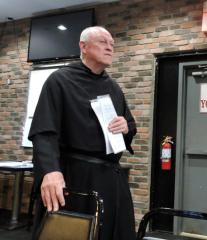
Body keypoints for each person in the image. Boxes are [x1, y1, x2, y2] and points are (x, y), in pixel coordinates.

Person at [29, 26, 137, 240]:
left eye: (112, 44)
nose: (109, 47)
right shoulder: (60, 80)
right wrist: (50, 170)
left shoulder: (114, 87)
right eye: (103, 42)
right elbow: (44, 131)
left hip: (112, 179)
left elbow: (130, 126)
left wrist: (126, 126)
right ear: (83, 46)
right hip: (75, 176)